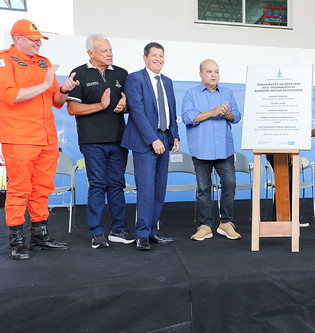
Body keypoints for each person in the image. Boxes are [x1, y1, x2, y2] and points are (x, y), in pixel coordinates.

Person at [0, 19, 78, 260]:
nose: (38, 43)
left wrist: (63, 89)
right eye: (33, 39)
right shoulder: (4, 60)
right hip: (19, 137)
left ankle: (39, 235)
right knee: (19, 188)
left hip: (46, 138)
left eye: (39, 39)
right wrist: (45, 83)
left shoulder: (43, 63)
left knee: (42, 188)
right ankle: (16, 240)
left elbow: (56, 101)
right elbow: (11, 95)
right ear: (17, 39)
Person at [67, 34, 135, 249]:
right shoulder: (79, 73)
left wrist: (125, 107)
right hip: (92, 141)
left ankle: (119, 229)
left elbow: (133, 105)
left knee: (117, 184)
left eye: (110, 49)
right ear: (90, 53)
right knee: (97, 185)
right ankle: (97, 233)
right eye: (104, 50)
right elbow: (71, 108)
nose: (110, 53)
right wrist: (99, 105)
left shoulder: (122, 74)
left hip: (118, 139)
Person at [121, 42, 179, 250]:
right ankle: (142, 234)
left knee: (159, 189)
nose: (158, 59)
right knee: (146, 189)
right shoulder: (135, 78)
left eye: (161, 55)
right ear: (145, 58)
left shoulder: (168, 82)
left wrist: (175, 136)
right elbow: (136, 111)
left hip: (164, 139)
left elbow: (171, 110)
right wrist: (152, 139)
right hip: (145, 142)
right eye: (154, 55)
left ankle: (152, 230)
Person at [182, 59, 242, 241]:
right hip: (201, 150)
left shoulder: (227, 93)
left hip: (224, 149)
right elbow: (187, 118)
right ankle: (205, 226)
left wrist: (226, 114)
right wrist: (213, 112)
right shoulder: (191, 94)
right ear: (201, 74)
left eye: (216, 71)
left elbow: (237, 116)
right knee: (203, 189)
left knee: (230, 184)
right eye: (209, 71)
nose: (214, 75)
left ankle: (226, 223)